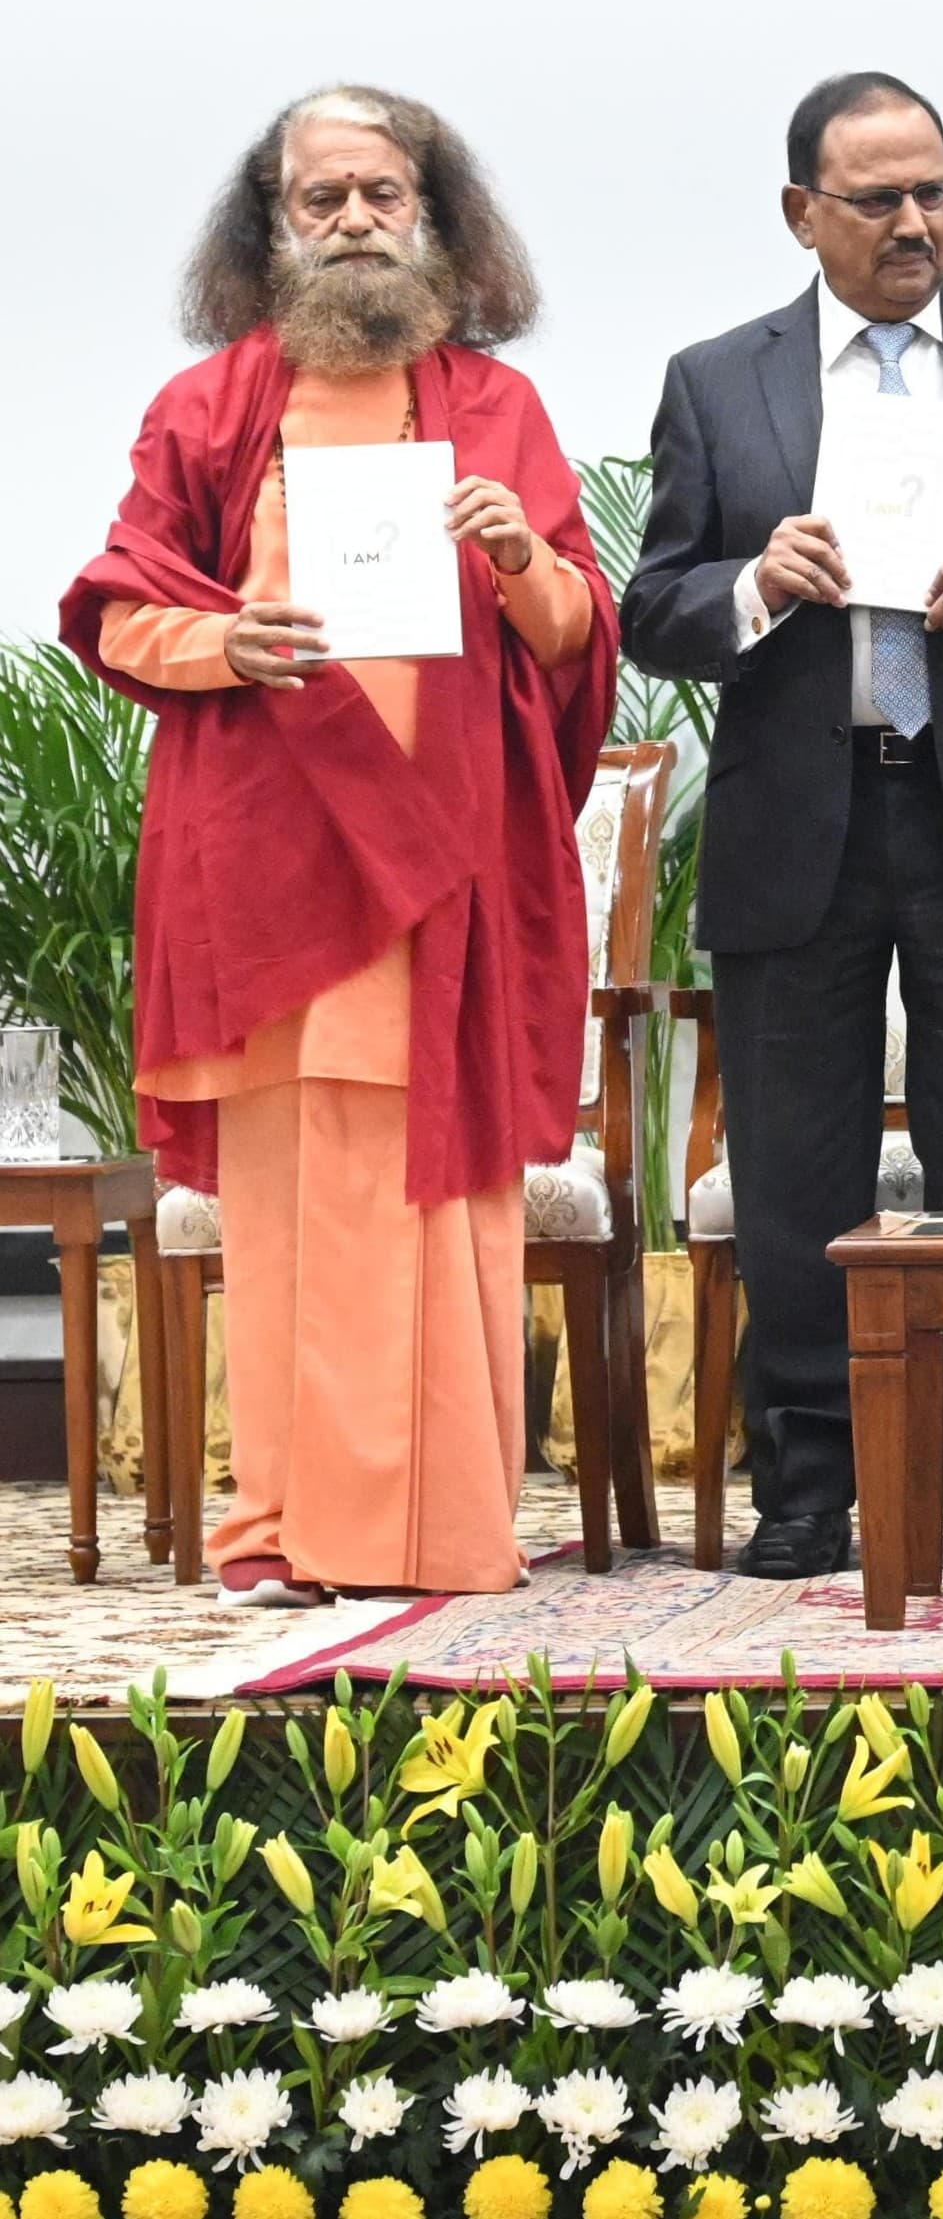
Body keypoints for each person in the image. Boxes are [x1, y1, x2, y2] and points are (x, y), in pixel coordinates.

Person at [60, 87, 615, 1601]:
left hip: (447, 869)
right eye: (324, 199)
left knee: (437, 1204)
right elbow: (119, 610)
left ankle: (440, 1525)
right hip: (274, 868)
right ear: (275, 222)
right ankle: (285, 1524)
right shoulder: (211, 408)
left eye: (384, 193)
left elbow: (572, 632)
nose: (356, 220)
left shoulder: (497, 408)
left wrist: (518, 561)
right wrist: (228, 640)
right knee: (299, 1208)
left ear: (436, 217)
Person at [624, 72, 943, 1582]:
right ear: (805, 214)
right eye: (879, 200)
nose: (915, 222)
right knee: (798, 1169)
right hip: (805, 818)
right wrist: (753, 582)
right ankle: (806, 1479)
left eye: (934, 191)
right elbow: (656, 606)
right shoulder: (722, 380)